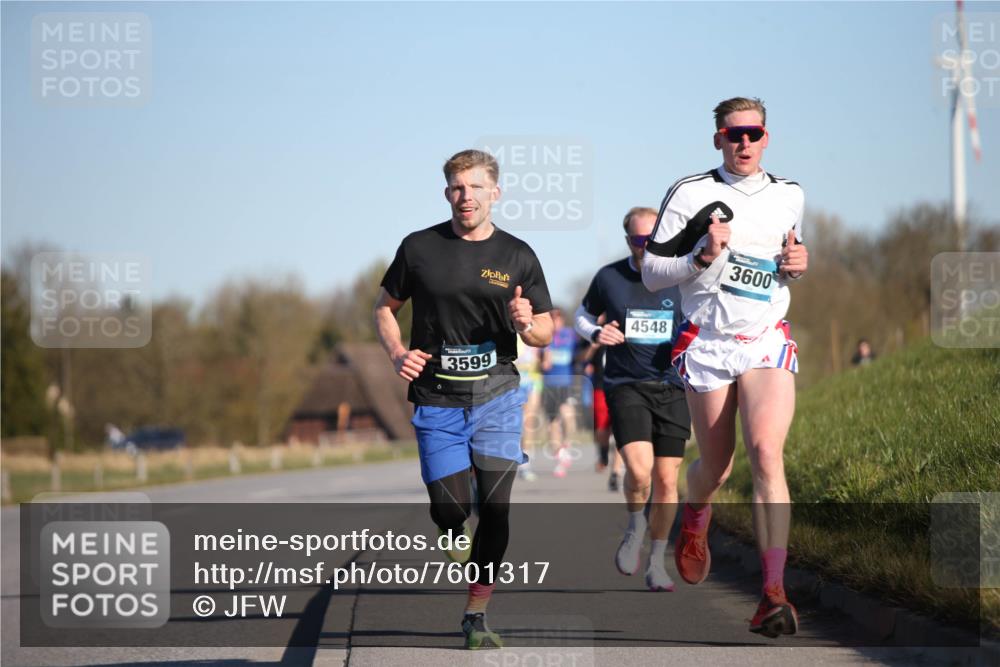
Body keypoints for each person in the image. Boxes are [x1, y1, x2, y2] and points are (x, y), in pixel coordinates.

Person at [641, 97, 809, 637]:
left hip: (764, 337)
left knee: (766, 452)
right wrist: (700, 257)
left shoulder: (789, 195)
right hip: (709, 343)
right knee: (716, 467)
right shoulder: (690, 193)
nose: (744, 143)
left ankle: (773, 593)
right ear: (718, 139)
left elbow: (785, 260)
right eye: (734, 134)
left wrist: (797, 265)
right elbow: (651, 273)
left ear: (766, 137)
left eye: (753, 133)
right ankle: (696, 515)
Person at [374, 149, 554, 649]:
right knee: (451, 509)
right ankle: (450, 525)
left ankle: (476, 613)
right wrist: (397, 353)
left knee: (495, 509)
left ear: (495, 192)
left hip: (497, 395)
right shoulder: (419, 247)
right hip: (437, 398)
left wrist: (527, 324)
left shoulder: (518, 254)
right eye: (457, 187)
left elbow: (544, 328)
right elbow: (384, 308)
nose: (465, 196)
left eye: (475, 187)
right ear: (446, 193)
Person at [574, 206, 690, 592]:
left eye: (656, 238)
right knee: (640, 472)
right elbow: (581, 316)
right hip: (627, 385)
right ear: (629, 242)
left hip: (674, 386)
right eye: (641, 240)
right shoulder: (609, 277)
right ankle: (635, 523)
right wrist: (596, 333)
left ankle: (656, 562)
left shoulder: (683, 275)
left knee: (667, 480)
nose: (648, 246)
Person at [540, 308, 578, 477]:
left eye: (558, 319)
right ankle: (559, 456)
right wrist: (544, 361)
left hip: (566, 383)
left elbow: (580, 354)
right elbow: (541, 364)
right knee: (553, 423)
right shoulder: (544, 338)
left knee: (568, 416)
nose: (556, 323)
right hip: (549, 385)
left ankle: (566, 445)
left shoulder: (570, 335)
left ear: (562, 321)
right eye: (553, 319)